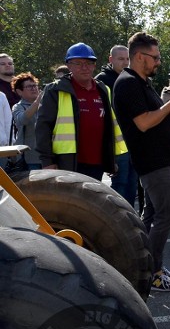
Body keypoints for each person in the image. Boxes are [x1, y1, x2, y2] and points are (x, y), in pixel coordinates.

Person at [113, 32, 170, 293]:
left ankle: (144, 266)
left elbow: (152, 117)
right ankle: (153, 273)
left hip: (159, 158)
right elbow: (143, 123)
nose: (158, 62)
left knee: (152, 215)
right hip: (152, 161)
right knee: (166, 215)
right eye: (154, 57)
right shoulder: (128, 83)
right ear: (139, 56)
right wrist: (169, 107)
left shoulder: (141, 82)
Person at [34, 43, 126, 181]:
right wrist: (47, 161)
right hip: (67, 163)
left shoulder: (103, 89)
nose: (84, 67)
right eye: (78, 63)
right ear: (68, 66)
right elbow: (43, 127)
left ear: (94, 65)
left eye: (89, 63)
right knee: (67, 202)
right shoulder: (55, 90)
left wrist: (111, 158)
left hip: (97, 162)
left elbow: (109, 126)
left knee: (91, 201)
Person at [96, 44, 138, 209]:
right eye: (121, 59)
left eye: (127, 59)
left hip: (133, 139)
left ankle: (129, 216)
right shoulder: (102, 80)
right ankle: (116, 215)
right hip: (116, 142)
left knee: (132, 181)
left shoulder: (132, 78)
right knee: (120, 182)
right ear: (111, 59)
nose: (125, 62)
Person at [10, 72, 42, 168]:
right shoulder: (18, 107)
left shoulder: (46, 104)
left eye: (34, 85)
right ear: (19, 92)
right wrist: (37, 103)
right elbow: (22, 120)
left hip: (48, 156)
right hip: (30, 158)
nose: (34, 88)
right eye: (29, 86)